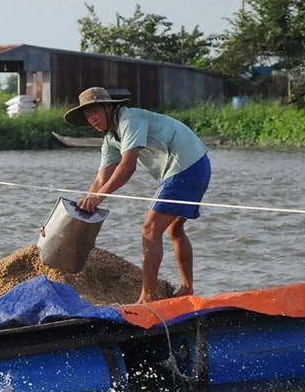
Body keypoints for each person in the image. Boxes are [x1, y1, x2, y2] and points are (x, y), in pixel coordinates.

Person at [70, 87, 212, 305]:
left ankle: (148, 297)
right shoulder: (110, 139)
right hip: (194, 164)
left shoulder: (129, 120)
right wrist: (86, 202)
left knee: (149, 229)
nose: (92, 119)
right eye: (88, 116)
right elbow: (100, 179)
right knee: (174, 229)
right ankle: (187, 289)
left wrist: (98, 198)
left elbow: (127, 167)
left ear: (109, 107)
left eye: (95, 112)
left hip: (185, 166)